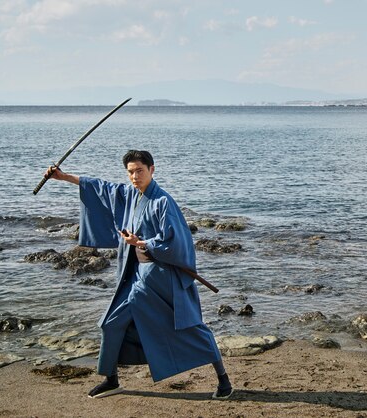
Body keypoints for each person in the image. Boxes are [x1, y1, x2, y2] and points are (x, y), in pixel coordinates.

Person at [44, 150, 233, 400]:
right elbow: (102, 188)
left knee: (191, 329)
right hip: (134, 275)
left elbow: (176, 240)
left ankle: (224, 381)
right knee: (111, 324)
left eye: (139, 171)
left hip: (159, 277)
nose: (135, 176)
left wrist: (143, 242)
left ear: (152, 170)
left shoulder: (163, 202)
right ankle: (111, 381)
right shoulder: (130, 195)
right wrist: (64, 177)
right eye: (130, 172)